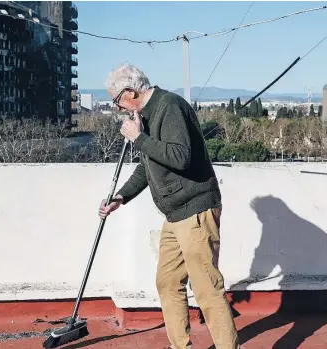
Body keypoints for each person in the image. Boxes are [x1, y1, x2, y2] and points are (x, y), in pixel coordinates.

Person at [98, 63, 241, 349]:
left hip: (196, 209)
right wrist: (120, 198)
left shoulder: (169, 107)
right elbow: (148, 167)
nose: (117, 108)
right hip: (175, 215)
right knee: (167, 282)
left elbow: (180, 157)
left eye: (116, 101)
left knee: (206, 288)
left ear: (130, 92)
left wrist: (139, 138)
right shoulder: (147, 115)